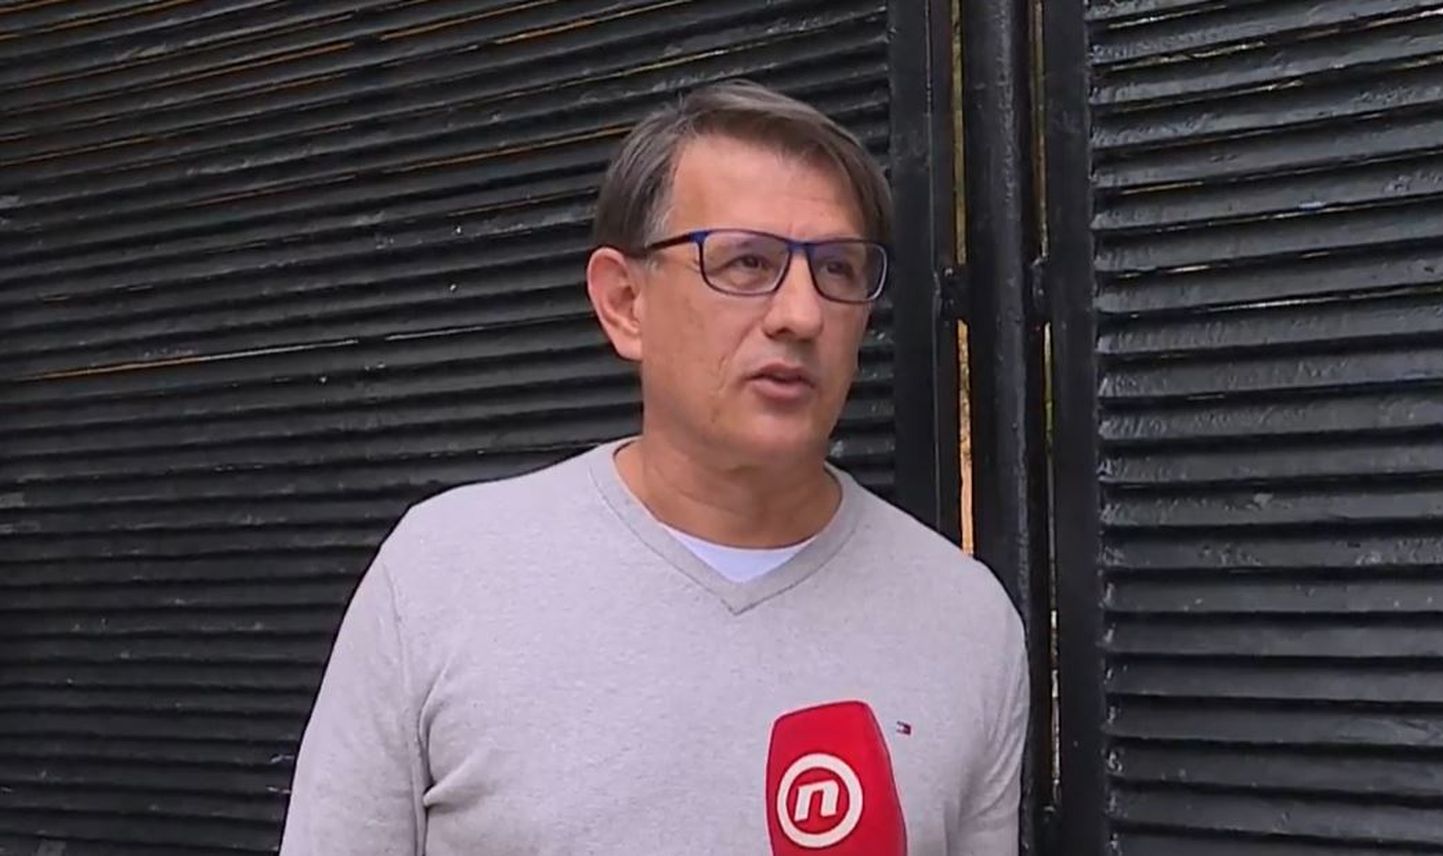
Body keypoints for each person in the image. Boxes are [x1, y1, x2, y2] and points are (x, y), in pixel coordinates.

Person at [278, 79, 1027, 856]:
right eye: (746, 261)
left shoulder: (964, 622)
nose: (801, 314)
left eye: (836, 269)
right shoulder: (442, 577)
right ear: (625, 302)